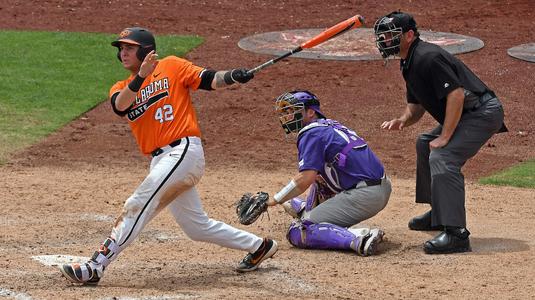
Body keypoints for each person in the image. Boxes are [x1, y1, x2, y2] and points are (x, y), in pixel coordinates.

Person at [60, 27, 277, 285]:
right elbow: (120, 106)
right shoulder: (121, 87)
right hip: (160, 160)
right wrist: (141, 76)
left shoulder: (172, 66)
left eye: (129, 47)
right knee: (196, 226)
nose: (123, 53)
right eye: (121, 49)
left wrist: (232, 76)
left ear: (145, 50)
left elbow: (208, 79)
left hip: (183, 151)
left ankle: (96, 265)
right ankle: (259, 246)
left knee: (138, 203)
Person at [373, 12, 507, 254]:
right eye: (382, 35)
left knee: (443, 156)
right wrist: (402, 119)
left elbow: (455, 95)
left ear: (409, 35)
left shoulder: (427, 57)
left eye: (391, 35)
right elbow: (416, 105)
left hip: (481, 112)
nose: (384, 40)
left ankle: (457, 235)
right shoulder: (409, 61)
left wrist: (445, 137)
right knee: (425, 143)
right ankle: (439, 212)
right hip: (469, 112)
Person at [265, 90, 391, 256]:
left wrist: (274, 200)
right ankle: (307, 210)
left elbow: (305, 178)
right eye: (285, 113)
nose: (288, 117)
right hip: (379, 186)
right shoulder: (329, 125)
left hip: (364, 195)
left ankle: (360, 237)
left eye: (292, 111)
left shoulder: (311, 133)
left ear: (311, 112)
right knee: (320, 176)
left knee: (300, 230)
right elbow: (316, 176)